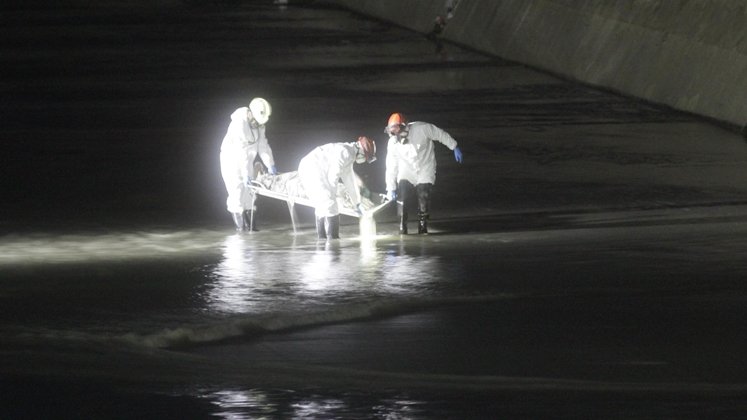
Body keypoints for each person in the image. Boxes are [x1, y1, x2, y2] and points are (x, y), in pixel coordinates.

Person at [384, 112, 463, 234]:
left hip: (425, 167)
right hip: (406, 170)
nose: (397, 134)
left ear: (405, 126)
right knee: (402, 197)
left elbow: (440, 134)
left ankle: (422, 226)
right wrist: (391, 187)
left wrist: (454, 146)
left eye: (398, 130)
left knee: (423, 195)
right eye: (393, 132)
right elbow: (391, 165)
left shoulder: (423, 128)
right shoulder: (393, 143)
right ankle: (402, 227)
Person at [298, 136, 377, 240]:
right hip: (311, 169)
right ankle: (333, 240)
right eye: (366, 157)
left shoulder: (349, 154)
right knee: (329, 202)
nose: (364, 160)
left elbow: (350, 182)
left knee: (322, 205)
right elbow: (333, 176)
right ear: (362, 152)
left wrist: (357, 203)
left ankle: (322, 240)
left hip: (311, 167)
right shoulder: (345, 153)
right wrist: (333, 195)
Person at [219, 97, 278, 232]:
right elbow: (241, 152)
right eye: (256, 121)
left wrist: (270, 164)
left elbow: (263, 145)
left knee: (250, 194)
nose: (258, 124)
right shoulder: (239, 124)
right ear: (251, 114)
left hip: (247, 160)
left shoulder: (259, 124)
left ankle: (251, 229)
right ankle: (241, 230)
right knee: (237, 194)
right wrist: (246, 174)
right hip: (232, 161)